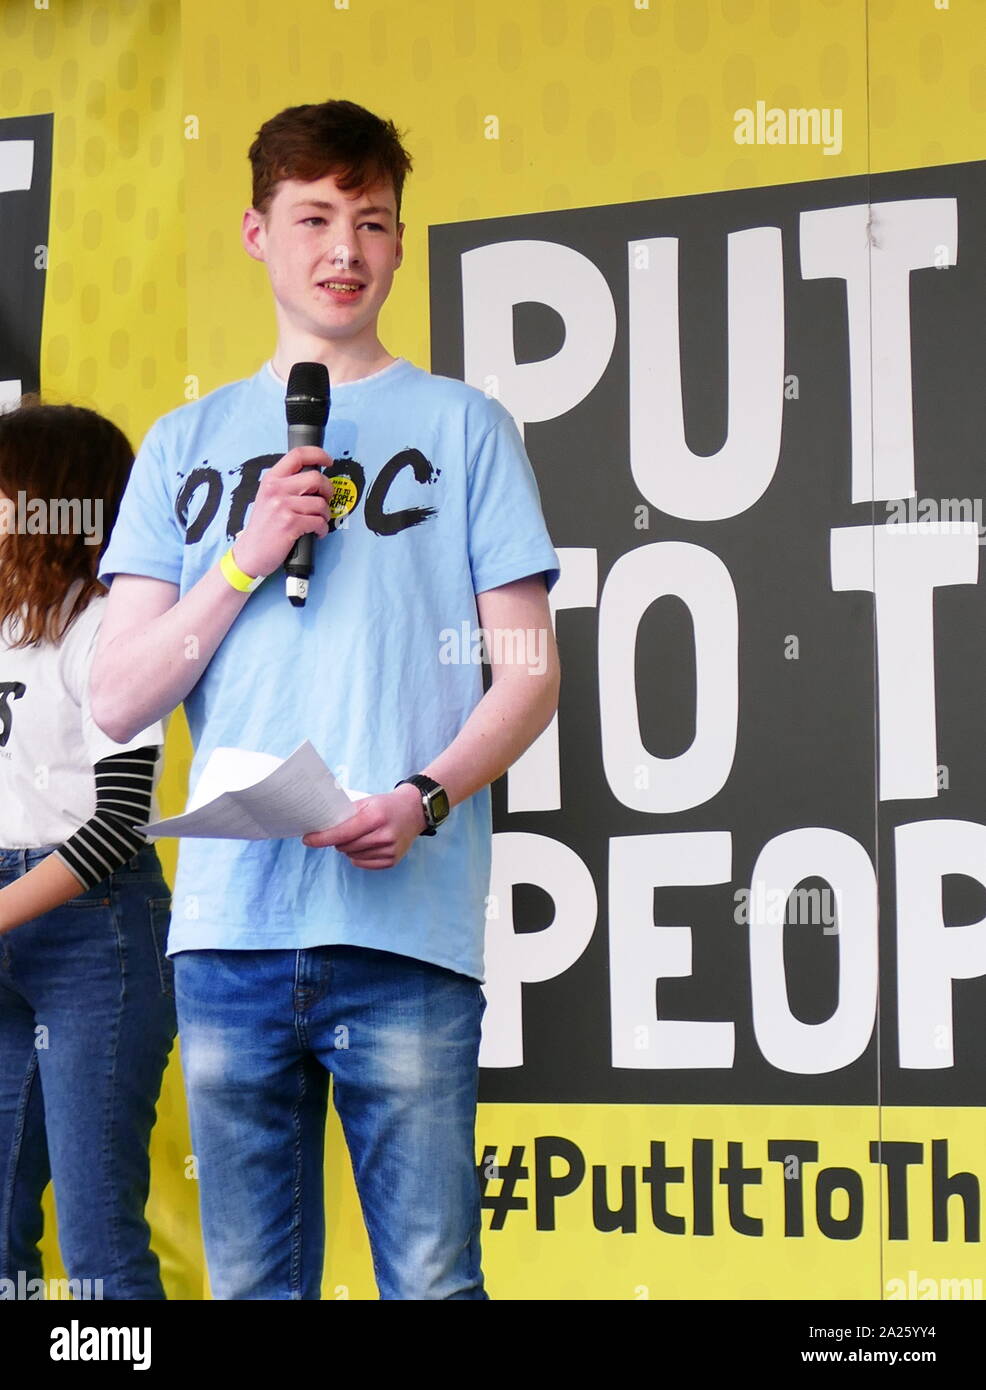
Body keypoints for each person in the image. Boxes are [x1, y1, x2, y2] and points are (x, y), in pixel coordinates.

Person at [91, 97, 561, 1301]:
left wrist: (424, 794)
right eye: (313, 217)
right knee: (252, 1290)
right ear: (258, 232)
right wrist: (243, 556)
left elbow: (529, 671)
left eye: (371, 221)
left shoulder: (467, 428)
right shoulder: (183, 443)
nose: (343, 249)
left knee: (430, 1282)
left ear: (400, 243)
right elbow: (116, 695)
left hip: (402, 928)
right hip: (229, 937)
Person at [0, 399, 176, 1300]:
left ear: (47, 501)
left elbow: (114, 829)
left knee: (99, 1237)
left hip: (92, 930)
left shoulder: (107, 627)